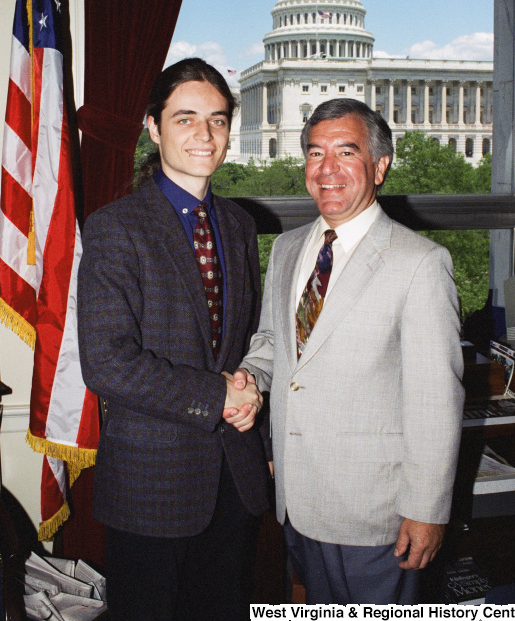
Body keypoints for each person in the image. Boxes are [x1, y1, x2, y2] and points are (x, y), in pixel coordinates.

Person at [228, 98, 465, 604]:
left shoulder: (421, 263)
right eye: (315, 153)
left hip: (376, 513)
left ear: (379, 166)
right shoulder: (288, 248)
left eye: (346, 152)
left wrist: (427, 509)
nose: (327, 169)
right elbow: (273, 342)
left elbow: (435, 401)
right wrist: (249, 378)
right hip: (297, 499)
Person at [78, 58, 269, 621]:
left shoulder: (238, 224)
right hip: (151, 488)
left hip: (235, 480)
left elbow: (248, 337)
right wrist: (218, 397)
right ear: (154, 128)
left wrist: (251, 386)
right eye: (185, 119)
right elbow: (107, 363)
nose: (204, 135)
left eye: (217, 119)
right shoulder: (115, 227)